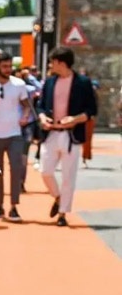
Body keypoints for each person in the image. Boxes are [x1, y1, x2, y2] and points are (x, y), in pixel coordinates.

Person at [37, 46, 97, 226]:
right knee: (45, 171)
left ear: (61, 63)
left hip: (72, 136)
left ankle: (63, 213)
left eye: (52, 62)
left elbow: (91, 110)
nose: (50, 65)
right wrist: (43, 118)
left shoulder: (83, 83)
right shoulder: (49, 82)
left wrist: (75, 119)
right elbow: (40, 106)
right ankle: (58, 197)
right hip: (51, 133)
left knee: (68, 177)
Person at [0, 52, 31, 221]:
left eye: (10, 66)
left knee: (16, 170)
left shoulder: (19, 84)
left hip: (15, 134)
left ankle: (14, 207)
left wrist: (25, 116)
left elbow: (26, 105)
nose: (8, 69)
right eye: (4, 66)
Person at [78, 67, 100, 166]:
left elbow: (94, 104)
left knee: (87, 138)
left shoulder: (92, 89)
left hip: (87, 116)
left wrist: (92, 114)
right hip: (76, 116)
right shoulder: (75, 87)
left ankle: (85, 157)